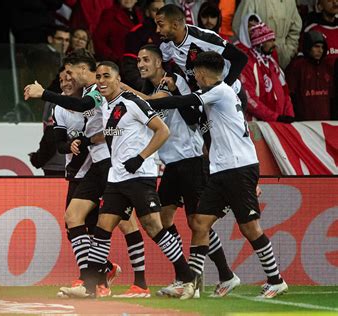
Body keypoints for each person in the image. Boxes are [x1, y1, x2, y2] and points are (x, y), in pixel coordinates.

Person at [26, 60, 198, 300]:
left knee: (153, 227)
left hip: (139, 175)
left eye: (107, 76)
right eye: (99, 77)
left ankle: (188, 278)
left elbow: (163, 131)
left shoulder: (132, 103)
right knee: (102, 230)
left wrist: (141, 157)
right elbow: (106, 132)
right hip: (116, 177)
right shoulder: (106, 106)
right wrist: (86, 141)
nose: (102, 81)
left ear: (118, 80)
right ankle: (88, 286)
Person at [148, 51, 288, 299]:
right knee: (200, 223)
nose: (195, 78)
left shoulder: (219, 91)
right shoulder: (216, 97)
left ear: (200, 74)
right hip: (221, 170)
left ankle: (276, 280)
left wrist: (144, 103)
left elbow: (182, 103)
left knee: (250, 228)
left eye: (195, 75)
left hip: (237, 169)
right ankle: (193, 284)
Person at [25, 50, 151, 298]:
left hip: (113, 163)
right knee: (80, 220)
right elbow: (64, 135)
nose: (66, 78)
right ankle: (95, 280)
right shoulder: (73, 99)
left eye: (69, 73)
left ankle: (128, 282)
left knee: (130, 223)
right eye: (63, 76)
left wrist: (44, 94)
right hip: (97, 164)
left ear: (82, 70)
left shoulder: (97, 88)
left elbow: (87, 108)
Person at [125, 44, 239, 298]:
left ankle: (217, 276)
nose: (141, 64)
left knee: (196, 221)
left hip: (190, 159)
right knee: (164, 220)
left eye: (146, 59)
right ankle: (188, 276)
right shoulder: (151, 88)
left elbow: (160, 103)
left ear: (158, 63)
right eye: (139, 60)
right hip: (172, 163)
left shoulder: (172, 80)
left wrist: (124, 90)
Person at [155, 4, 248, 108]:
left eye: (161, 25)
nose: (157, 30)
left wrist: (223, 88)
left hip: (231, 95)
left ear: (175, 25)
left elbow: (241, 58)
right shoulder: (165, 45)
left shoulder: (204, 38)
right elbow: (162, 65)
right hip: (204, 98)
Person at [240, 23, 295, 122]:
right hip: (257, 125)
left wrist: (289, 116)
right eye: (269, 41)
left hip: (278, 123)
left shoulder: (273, 64)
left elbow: (285, 92)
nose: (274, 44)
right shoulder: (247, 64)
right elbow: (249, 100)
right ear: (260, 43)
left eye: (273, 40)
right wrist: (275, 117)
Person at [232, 0, 302, 69]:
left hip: (283, 56)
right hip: (258, 57)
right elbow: (241, 29)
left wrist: (288, 51)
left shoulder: (290, 2)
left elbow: (296, 28)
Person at [286, 30, 334, 121]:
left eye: (322, 47)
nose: (320, 50)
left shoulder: (327, 67)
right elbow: (290, 96)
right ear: (308, 47)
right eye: (316, 47)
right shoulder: (296, 66)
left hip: (325, 123)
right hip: (304, 124)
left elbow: (332, 98)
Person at [121, 0, 165, 91]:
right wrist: (147, 88)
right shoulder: (136, 33)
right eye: (155, 10)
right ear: (147, 12)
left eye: (162, 10)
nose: (160, 14)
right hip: (144, 88)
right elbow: (130, 67)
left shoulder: (169, 32)